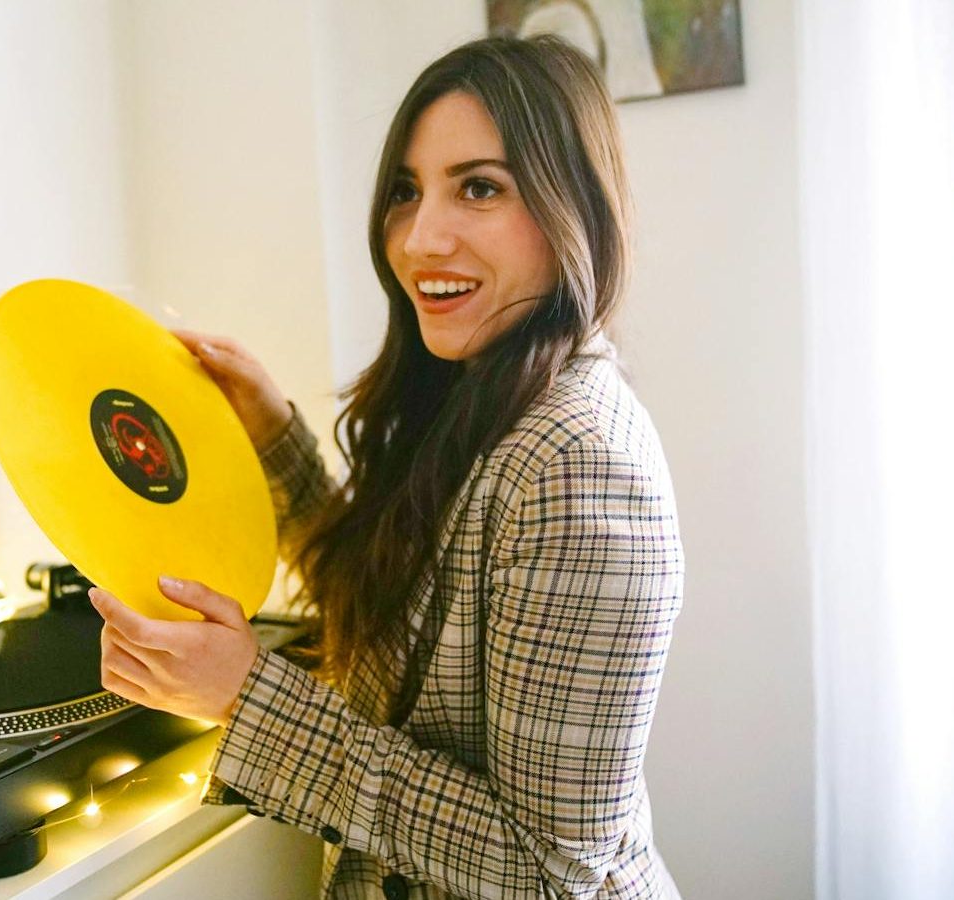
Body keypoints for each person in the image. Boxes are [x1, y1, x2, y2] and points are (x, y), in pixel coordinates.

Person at [88, 35, 685, 899]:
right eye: (406, 192)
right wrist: (273, 439)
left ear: (574, 211)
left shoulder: (580, 465)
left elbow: (551, 874)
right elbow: (395, 632)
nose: (420, 238)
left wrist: (248, 698)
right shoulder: (476, 387)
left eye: (480, 187)